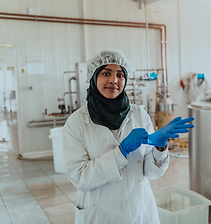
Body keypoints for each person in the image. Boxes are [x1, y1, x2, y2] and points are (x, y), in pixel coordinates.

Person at [63, 49, 194, 224]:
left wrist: (160, 147)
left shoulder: (139, 115)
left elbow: (150, 172)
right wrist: (121, 152)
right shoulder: (77, 122)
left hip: (138, 209)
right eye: (106, 73)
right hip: (101, 213)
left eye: (120, 75)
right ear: (93, 78)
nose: (113, 80)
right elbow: (80, 178)